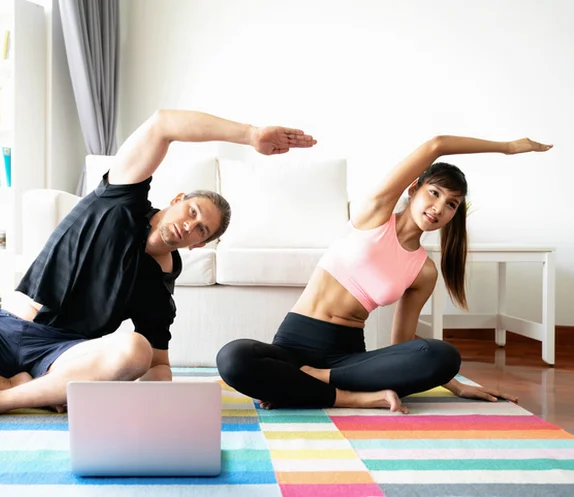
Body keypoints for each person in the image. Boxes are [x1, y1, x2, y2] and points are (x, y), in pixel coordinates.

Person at [0, 110, 317, 422]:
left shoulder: (160, 284)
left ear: (199, 248)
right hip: (0, 326)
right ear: (176, 200)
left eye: (202, 232)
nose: (189, 227)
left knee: (131, 351)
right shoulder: (120, 198)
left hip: (62, 354)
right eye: (191, 213)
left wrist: (175, 413)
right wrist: (251, 135)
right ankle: (23, 394)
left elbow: (155, 364)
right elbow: (163, 123)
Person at [216, 135, 553, 413]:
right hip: (294, 344)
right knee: (233, 359)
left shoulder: (423, 270)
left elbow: (403, 342)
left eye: (451, 204)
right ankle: (354, 398)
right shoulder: (375, 213)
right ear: (414, 189)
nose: (438, 208)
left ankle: (304, 386)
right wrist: (508, 148)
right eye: (434, 193)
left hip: (346, 361)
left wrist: (456, 384)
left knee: (444, 355)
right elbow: (435, 145)